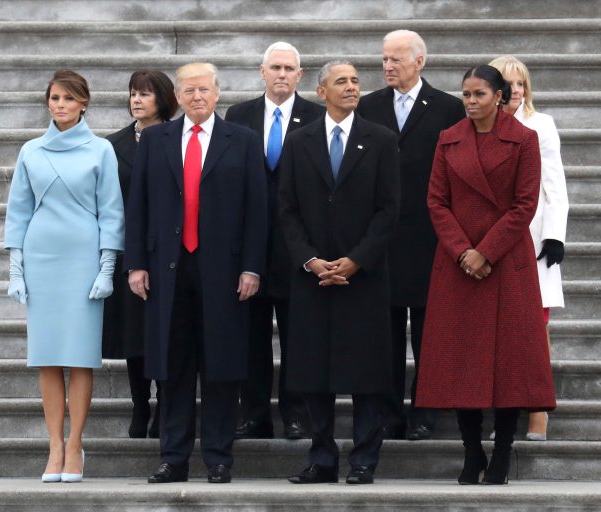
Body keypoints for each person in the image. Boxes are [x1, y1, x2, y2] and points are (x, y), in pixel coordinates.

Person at [124, 62, 267, 484]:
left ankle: (219, 457)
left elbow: (257, 211)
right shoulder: (155, 139)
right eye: (189, 90)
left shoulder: (241, 140)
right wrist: (136, 263)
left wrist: (252, 267)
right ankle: (173, 457)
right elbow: (139, 207)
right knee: (173, 366)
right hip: (168, 270)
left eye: (204, 90)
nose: (197, 97)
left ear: (217, 94)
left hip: (224, 270)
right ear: (179, 97)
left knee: (221, 366)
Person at [415, 65, 556, 485]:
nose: (471, 102)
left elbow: (525, 204)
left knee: (509, 364)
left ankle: (503, 452)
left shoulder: (524, 139)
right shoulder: (448, 139)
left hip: (505, 263)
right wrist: (463, 252)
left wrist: (486, 251)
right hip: (458, 266)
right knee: (462, 360)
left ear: (500, 96)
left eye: (479, 94)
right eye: (465, 95)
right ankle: (472, 450)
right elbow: (436, 202)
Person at [279, 60, 400, 485]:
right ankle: (322, 458)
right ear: (320, 91)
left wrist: (357, 259)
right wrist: (310, 260)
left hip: (362, 277)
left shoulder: (381, 140)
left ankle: (365, 458)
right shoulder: (298, 142)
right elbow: (287, 210)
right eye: (341, 82)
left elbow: (389, 210)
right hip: (312, 277)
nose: (351, 87)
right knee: (313, 373)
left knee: (367, 373)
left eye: (354, 81)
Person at [4, 69, 125, 483]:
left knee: (79, 356)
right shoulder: (31, 151)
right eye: (55, 98)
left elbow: (111, 210)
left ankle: (76, 445)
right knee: (47, 357)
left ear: (84, 103)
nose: (60, 105)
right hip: (42, 258)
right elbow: (18, 210)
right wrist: (16, 268)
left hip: (83, 259)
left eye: (68, 99)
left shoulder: (101, 150)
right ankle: (54, 445)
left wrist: (107, 267)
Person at [357, 29, 466, 441]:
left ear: (420, 62)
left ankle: (426, 411)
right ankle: (387, 412)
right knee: (382, 335)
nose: (387, 66)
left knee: (428, 333)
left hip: (429, 239)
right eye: (384, 59)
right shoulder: (367, 107)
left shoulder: (449, 109)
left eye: (396, 59)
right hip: (379, 240)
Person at [224, 42, 325, 441]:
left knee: (298, 336)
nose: (282, 74)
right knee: (251, 337)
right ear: (261, 72)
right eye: (275, 68)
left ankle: (296, 414)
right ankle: (253, 414)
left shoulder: (316, 116)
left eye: (289, 68)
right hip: (250, 246)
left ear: (300, 76)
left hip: (298, 246)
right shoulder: (239, 115)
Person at [490, 55, 569, 442]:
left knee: (534, 327)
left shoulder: (541, 125)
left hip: (532, 239)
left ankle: (538, 410)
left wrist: (555, 235)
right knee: (495, 328)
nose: (516, 90)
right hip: (487, 242)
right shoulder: (477, 124)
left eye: (521, 83)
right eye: (509, 83)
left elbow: (554, 184)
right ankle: (498, 410)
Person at [102, 70, 178, 439]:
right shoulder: (112, 145)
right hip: (128, 248)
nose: (136, 100)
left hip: (170, 249)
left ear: (162, 99)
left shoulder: (179, 137)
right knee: (133, 332)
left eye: (145, 94)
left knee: (165, 331)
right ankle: (139, 404)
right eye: (133, 93)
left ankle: (166, 404)